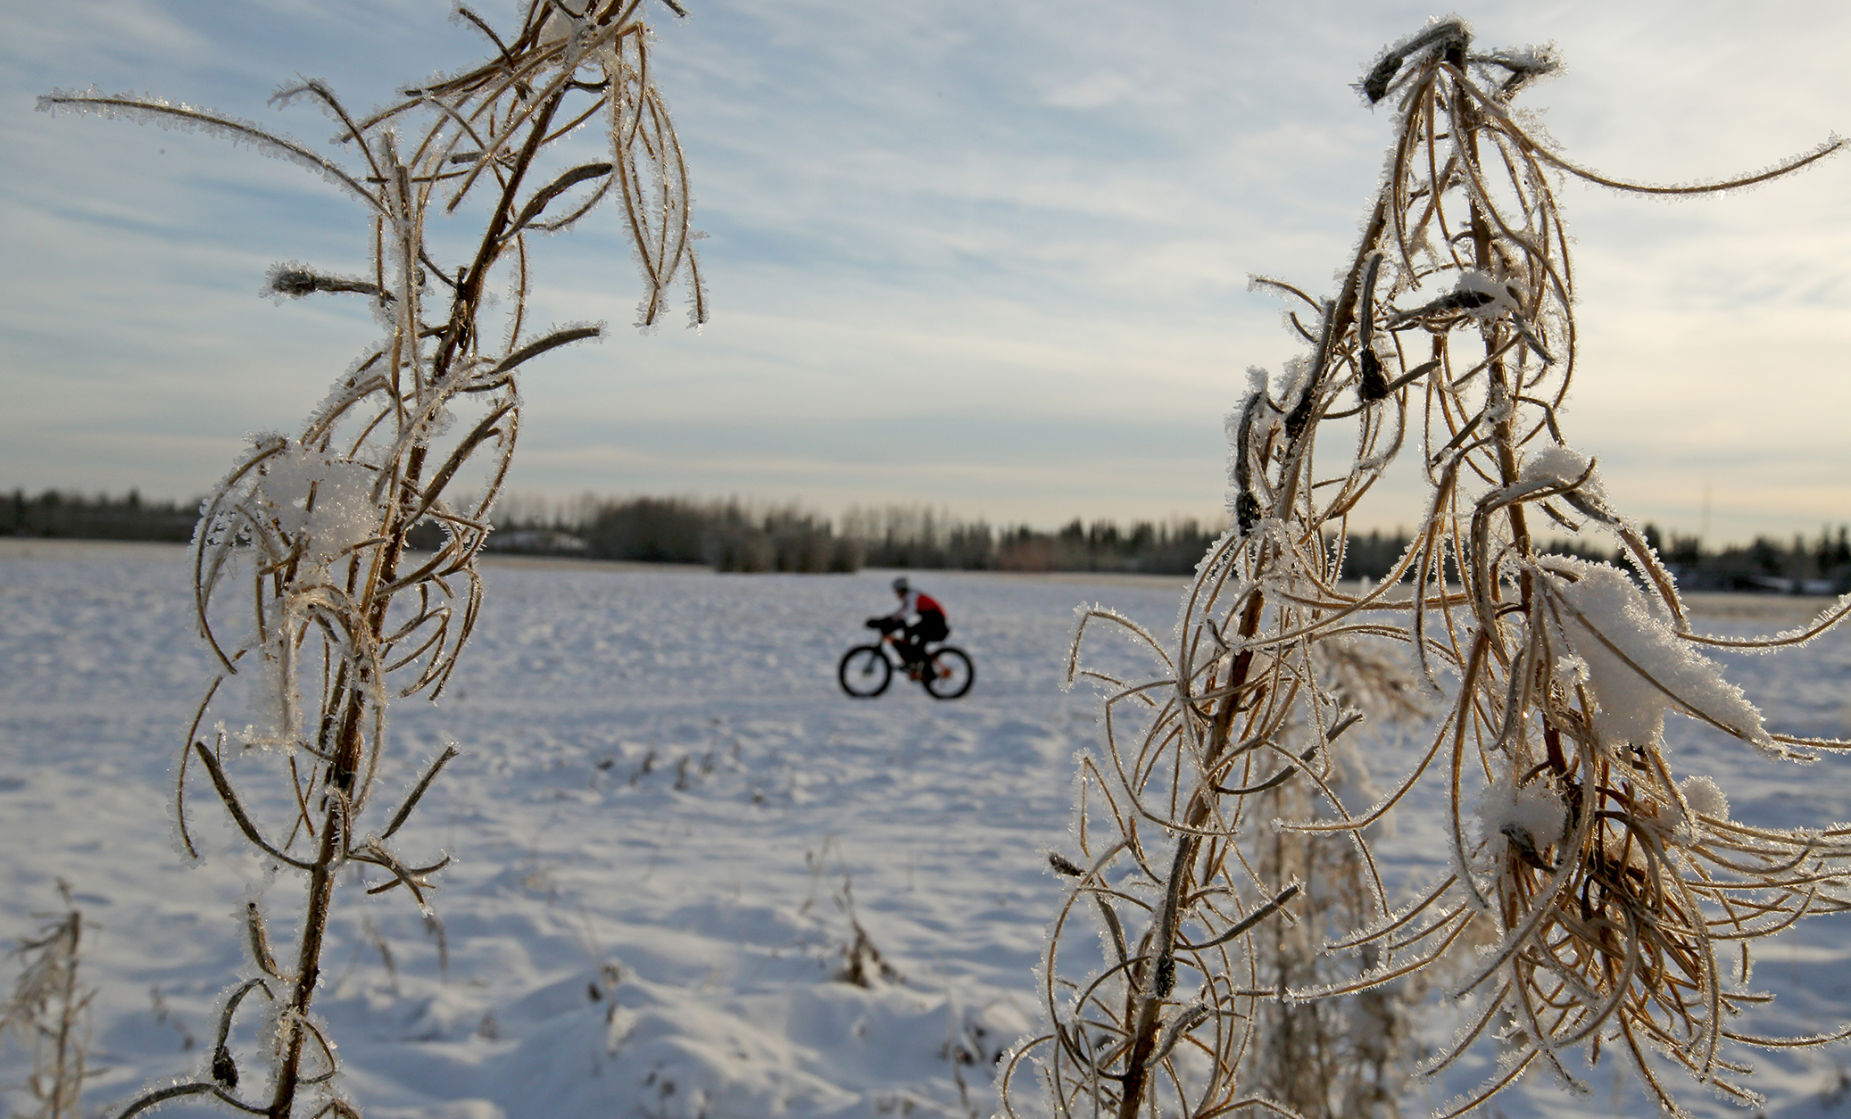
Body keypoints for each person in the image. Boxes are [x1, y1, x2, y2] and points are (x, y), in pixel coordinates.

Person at [869, 575, 948, 674]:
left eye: (897, 591)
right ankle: (911, 662)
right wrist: (886, 620)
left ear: (902, 589)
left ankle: (919, 666)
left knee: (912, 636)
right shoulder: (909, 596)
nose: (897, 594)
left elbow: (908, 611)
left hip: (935, 621)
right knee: (909, 633)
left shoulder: (911, 596)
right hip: (931, 619)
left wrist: (893, 621)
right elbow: (900, 612)